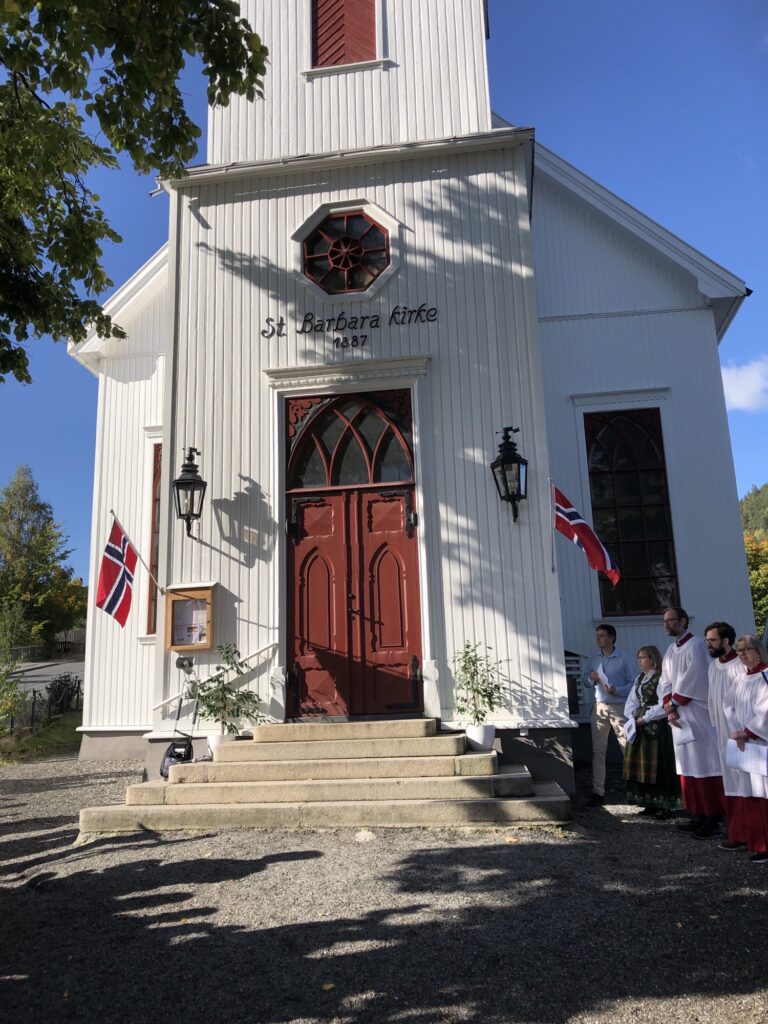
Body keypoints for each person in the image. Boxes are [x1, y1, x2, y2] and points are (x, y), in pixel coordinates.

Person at [659, 606, 724, 837]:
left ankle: (713, 817)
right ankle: (697, 813)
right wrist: (668, 706)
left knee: (704, 763)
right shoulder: (670, 650)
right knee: (687, 764)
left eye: (672, 620)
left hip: (696, 711)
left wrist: (674, 703)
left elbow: (695, 677)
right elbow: (665, 681)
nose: (668, 624)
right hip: (678, 714)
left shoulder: (696, 645)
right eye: (665, 621)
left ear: (684, 621)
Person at [722, 635, 768, 864]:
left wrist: (748, 732)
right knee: (750, 794)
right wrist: (736, 730)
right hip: (744, 744)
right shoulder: (741, 679)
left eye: (745, 650)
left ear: (758, 651)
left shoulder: (765, 676)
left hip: (761, 743)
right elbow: (727, 704)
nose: (741, 654)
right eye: (738, 650)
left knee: (765, 794)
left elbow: (765, 711)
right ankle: (758, 844)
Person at [623, 645, 681, 817]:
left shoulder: (660, 678)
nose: (639, 661)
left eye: (642, 657)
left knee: (659, 763)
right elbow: (632, 700)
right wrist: (631, 716)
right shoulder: (640, 678)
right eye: (639, 658)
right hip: (639, 724)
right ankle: (648, 802)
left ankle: (664, 804)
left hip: (655, 724)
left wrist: (645, 718)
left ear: (652, 659)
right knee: (641, 763)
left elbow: (663, 705)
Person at [705, 621, 748, 849]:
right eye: (707, 641)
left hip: (740, 732)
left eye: (712, 640)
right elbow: (713, 699)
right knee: (729, 780)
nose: (708, 645)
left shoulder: (739, 666)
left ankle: (751, 834)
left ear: (726, 641)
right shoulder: (713, 666)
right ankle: (737, 833)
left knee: (745, 781)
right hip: (721, 733)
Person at [584, 623, 636, 806]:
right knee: (598, 751)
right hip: (599, 708)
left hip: (619, 708)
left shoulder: (624, 659)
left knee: (626, 748)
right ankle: (598, 791)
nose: (598, 639)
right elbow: (585, 681)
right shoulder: (594, 659)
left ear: (612, 638)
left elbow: (633, 683)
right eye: (597, 635)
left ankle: (634, 790)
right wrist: (591, 678)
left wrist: (618, 690)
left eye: (602, 636)